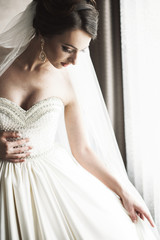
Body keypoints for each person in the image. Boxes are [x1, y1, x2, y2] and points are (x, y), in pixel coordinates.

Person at [0, 0, 159, 239]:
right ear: (44, 32)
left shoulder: (67, 81)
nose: (75, 61)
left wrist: (125, 191)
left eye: (80, 51)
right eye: (67, 48)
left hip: (48, 187)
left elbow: (83, 149)